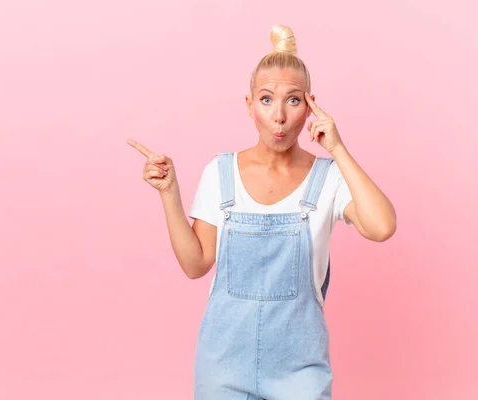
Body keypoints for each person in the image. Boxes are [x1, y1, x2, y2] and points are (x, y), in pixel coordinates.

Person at [127, 24, 396, 400]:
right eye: (267, 99)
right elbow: (195, 265)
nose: (280, 117)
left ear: (311, 105)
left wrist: (338, 148)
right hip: (223, 368)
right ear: (249, 105)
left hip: (300, 370)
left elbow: (382, 226)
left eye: (293, 100)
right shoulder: (220, 173)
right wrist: (169, 192)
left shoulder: (328, 178)